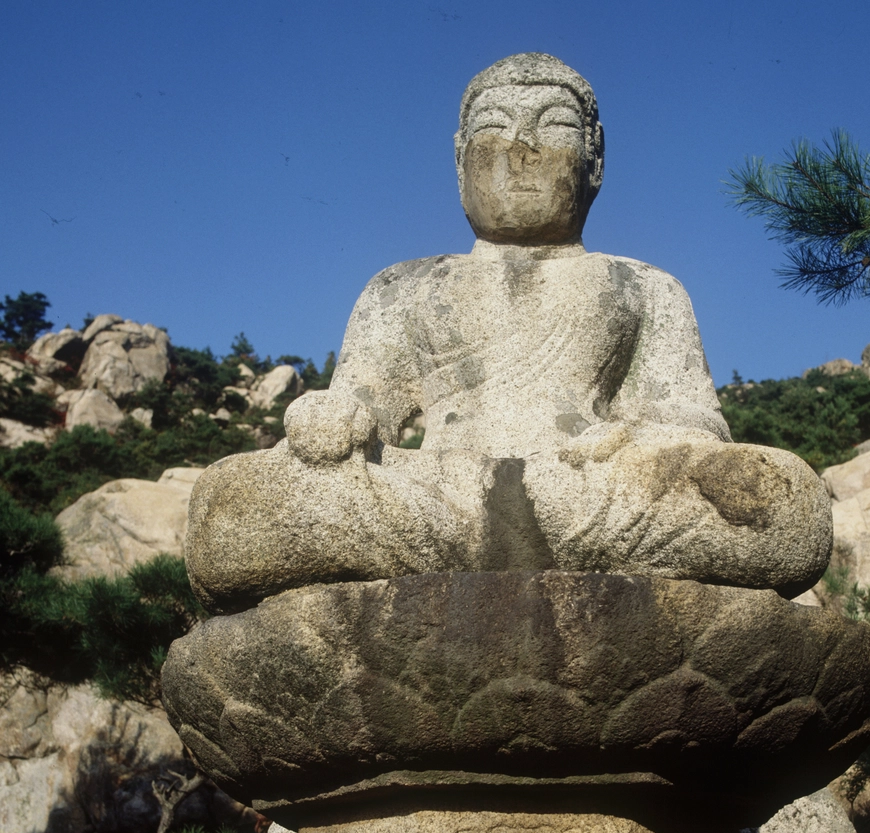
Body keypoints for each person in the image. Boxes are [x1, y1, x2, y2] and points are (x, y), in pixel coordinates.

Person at [186, 54, 830, 614]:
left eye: (553, 126)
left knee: (785, 501)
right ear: (460, 156)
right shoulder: (402, 286)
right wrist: (334, 418)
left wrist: (632, 444)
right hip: (440, 487)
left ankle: (513, 527)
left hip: (587, 489)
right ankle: (508, 528)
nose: (521, 149)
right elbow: (364, 408)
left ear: (594, 159)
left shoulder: (645, 286)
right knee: (229, 509)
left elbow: (690, 424)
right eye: (494, 126)